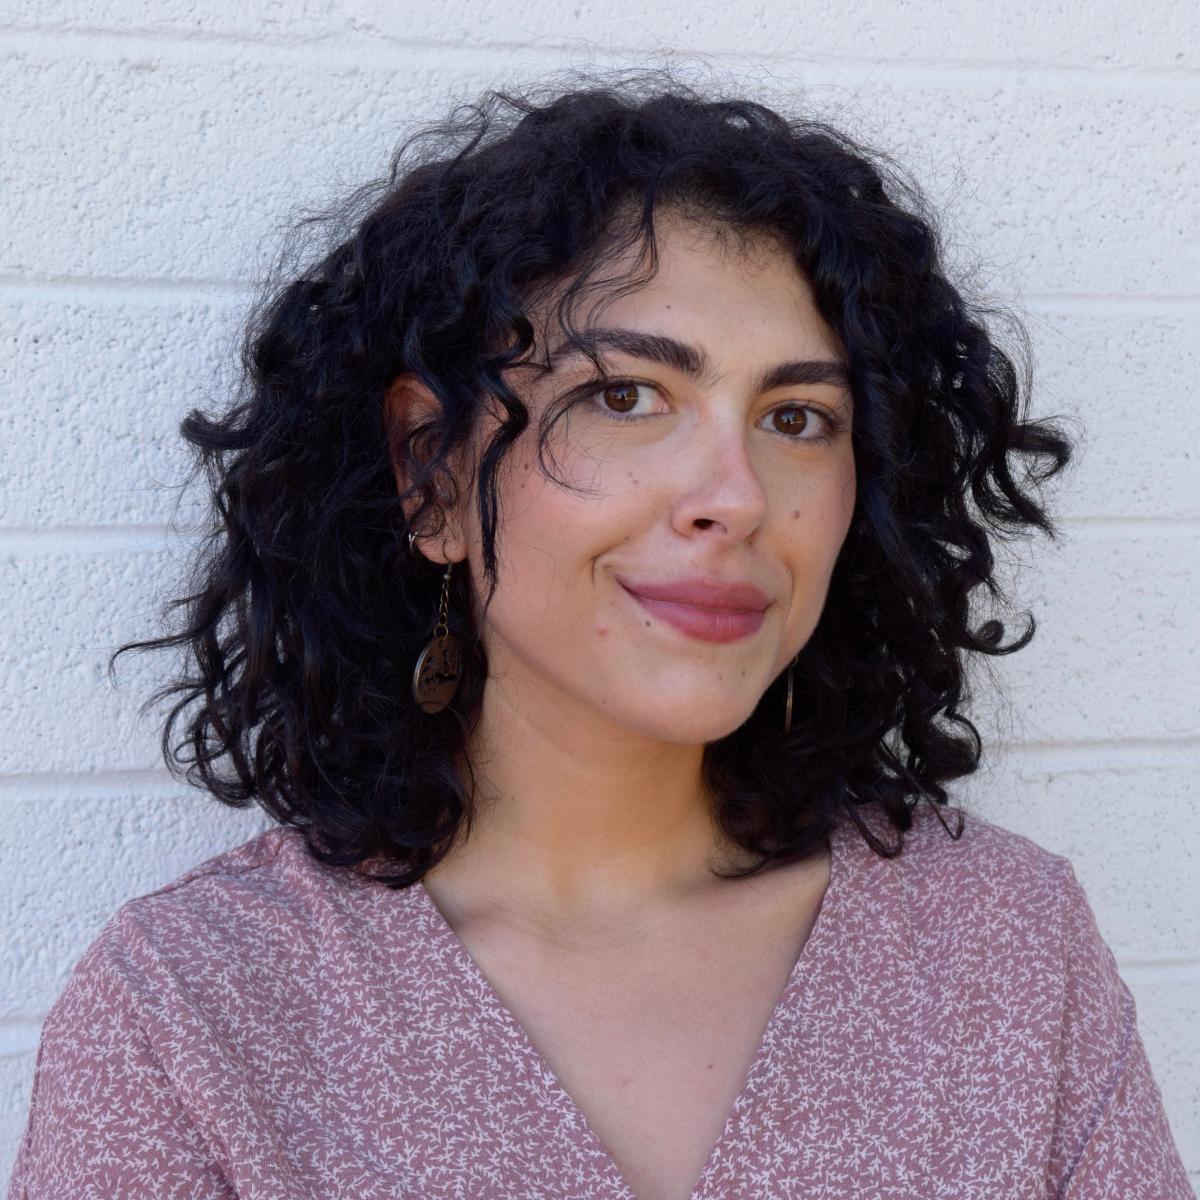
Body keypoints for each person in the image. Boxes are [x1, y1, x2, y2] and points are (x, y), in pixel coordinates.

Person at [6, 67, 1191, 1200]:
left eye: (797, 416)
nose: (733, 493)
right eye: (625, 396)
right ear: (428, 473)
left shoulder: (1004, 948)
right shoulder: (194, 1011)